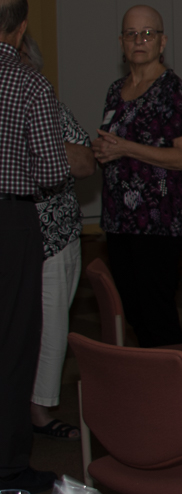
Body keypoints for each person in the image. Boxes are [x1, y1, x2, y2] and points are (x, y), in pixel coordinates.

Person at [93, 4, 182, 348]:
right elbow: (118, 145)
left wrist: (125, 148)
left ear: (162, 41)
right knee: (134, 314)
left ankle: (178, 394)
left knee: (158, 315)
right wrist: (104, 150)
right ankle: (149, 393)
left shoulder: (171, 89)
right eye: (131, 34)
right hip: (119, 221)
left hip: (157, 222)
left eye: (147, 33)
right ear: (121, 42)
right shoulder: (115, 90)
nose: (139, 40)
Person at [0, 0, 68, 493]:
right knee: (14, 342)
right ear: (22, 27)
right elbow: (51, 171)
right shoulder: (28, 82)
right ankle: (7, 468)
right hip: (10, 222)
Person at [19, 33, 95, 441]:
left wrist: (38, 140)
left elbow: (85, 162)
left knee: (52, 324)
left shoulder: (49, 106)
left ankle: (40, 411)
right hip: (12, 233)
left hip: (54, 233)